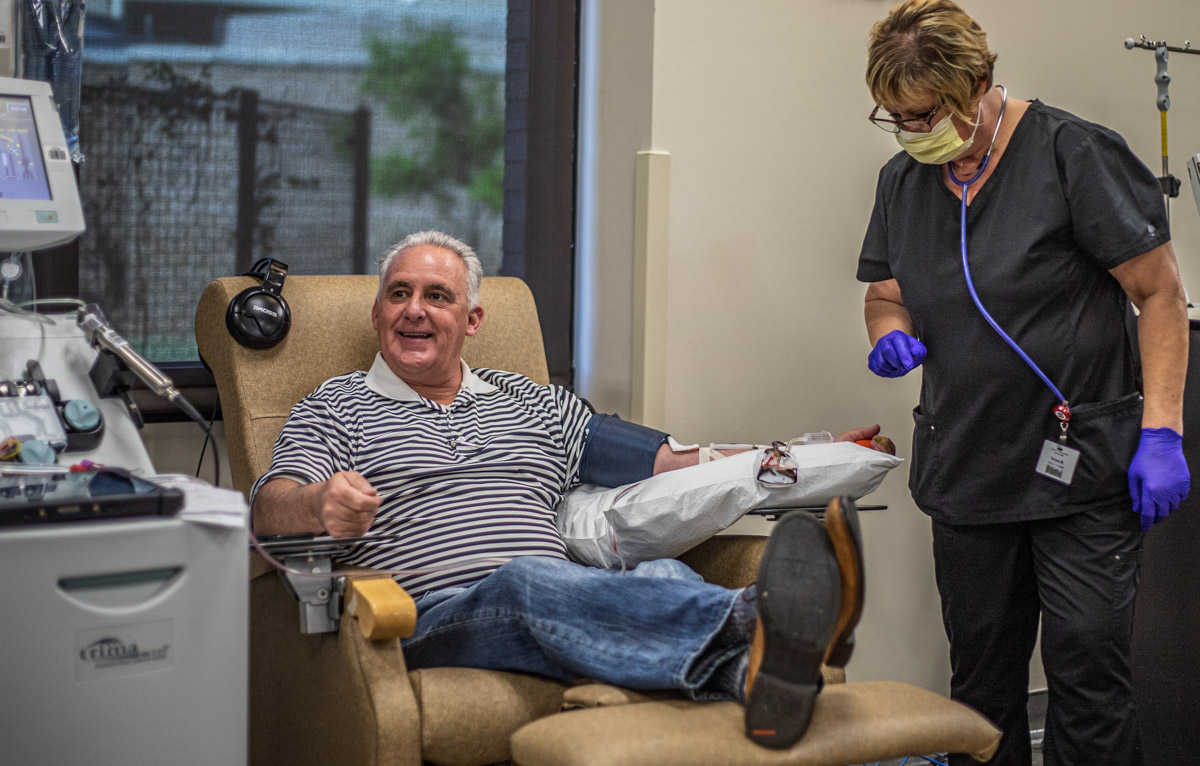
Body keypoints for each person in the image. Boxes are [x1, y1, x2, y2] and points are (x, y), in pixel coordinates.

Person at [252, 230, 884, 749]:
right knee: (527, 579)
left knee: (662, 575)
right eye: (399, 293)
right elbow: (268, 507)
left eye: (436, 296)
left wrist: (816, 451)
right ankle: (761, 618)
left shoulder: (530, 402)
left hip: (567, 600)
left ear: (471, 319)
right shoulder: (336, 407)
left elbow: (676, 460)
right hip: (432, 619)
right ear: (377, 312)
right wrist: (318, 503)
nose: (413, 309)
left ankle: (757, 680)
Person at [857, 2, 1190, 764]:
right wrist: (888, 336)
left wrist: (1163, 431)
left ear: (978, 83)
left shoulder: (1073, 154)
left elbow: (1160, 295)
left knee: (1088, 675)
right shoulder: (903, 182)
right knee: (980, 686)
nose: (913, 132)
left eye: (927, 113)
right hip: (968, 468)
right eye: (896, 117)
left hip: (1084, 470)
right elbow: (886, 291)